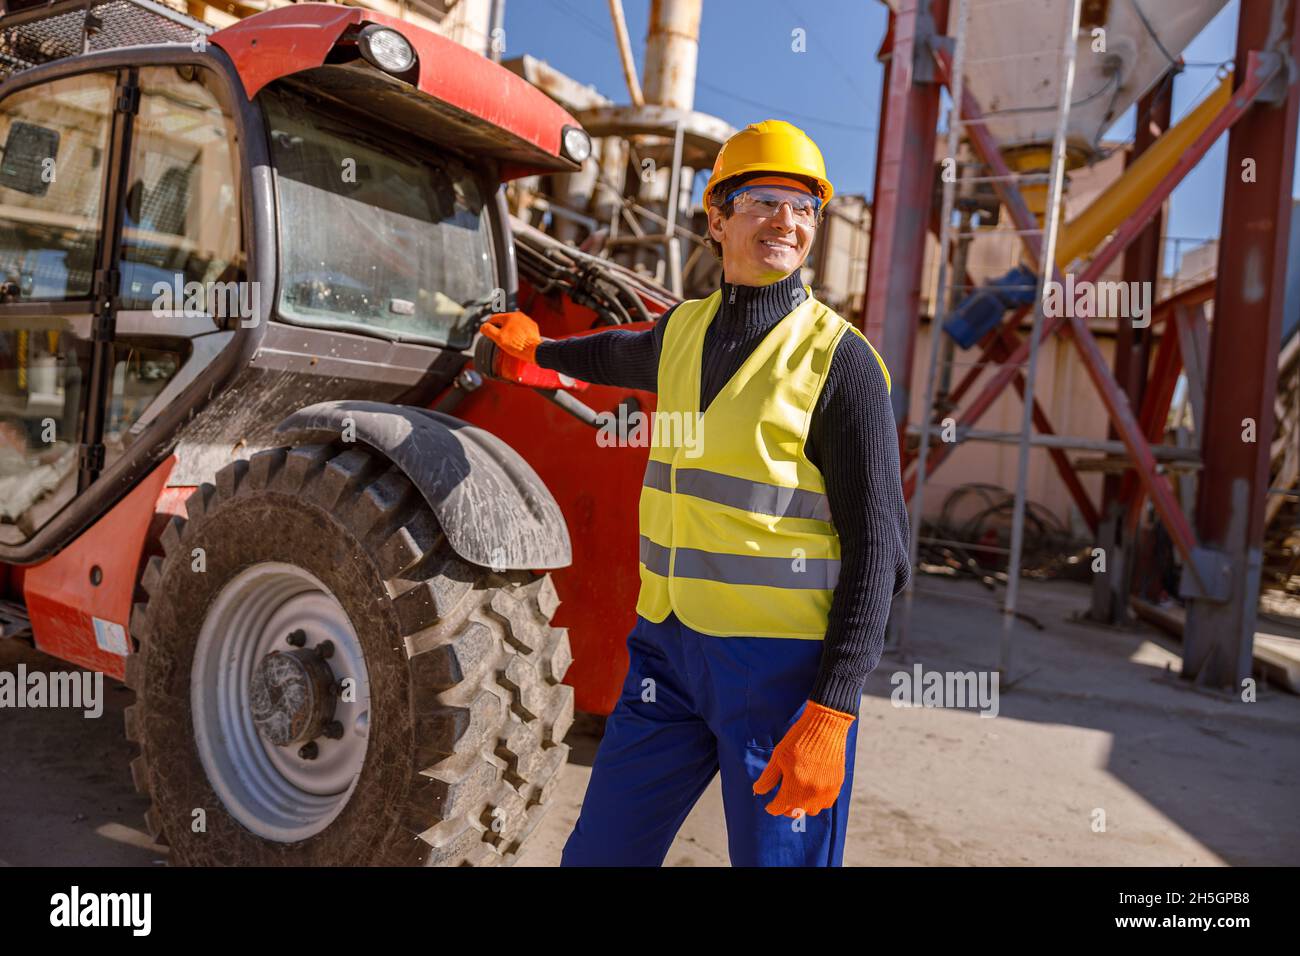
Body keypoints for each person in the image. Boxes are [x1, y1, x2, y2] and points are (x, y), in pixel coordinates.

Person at [481, 119, 910, 867]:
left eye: (805, 207)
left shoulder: (842, 364)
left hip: (779, 676)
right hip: (666, 655)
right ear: (716, 218)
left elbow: (881, 555)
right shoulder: (682, 332)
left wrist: (832, 711)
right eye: (765, 201)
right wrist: (539, 353)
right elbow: (616, 350)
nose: (787, 221)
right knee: (599, 855)